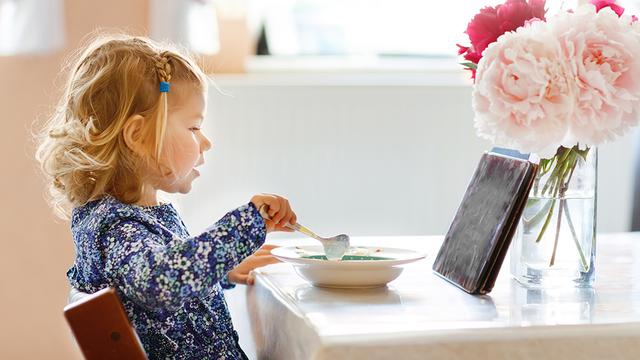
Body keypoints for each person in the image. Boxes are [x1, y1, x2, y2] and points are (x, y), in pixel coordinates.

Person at [35, 34, 297, 359]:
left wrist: (220, 267)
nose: (206, 142)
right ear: (138, 135)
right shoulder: (116, 227)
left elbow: (164, 289)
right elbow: (159, 285)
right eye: (193, 128)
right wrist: (243, 226)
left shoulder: (138, 217)